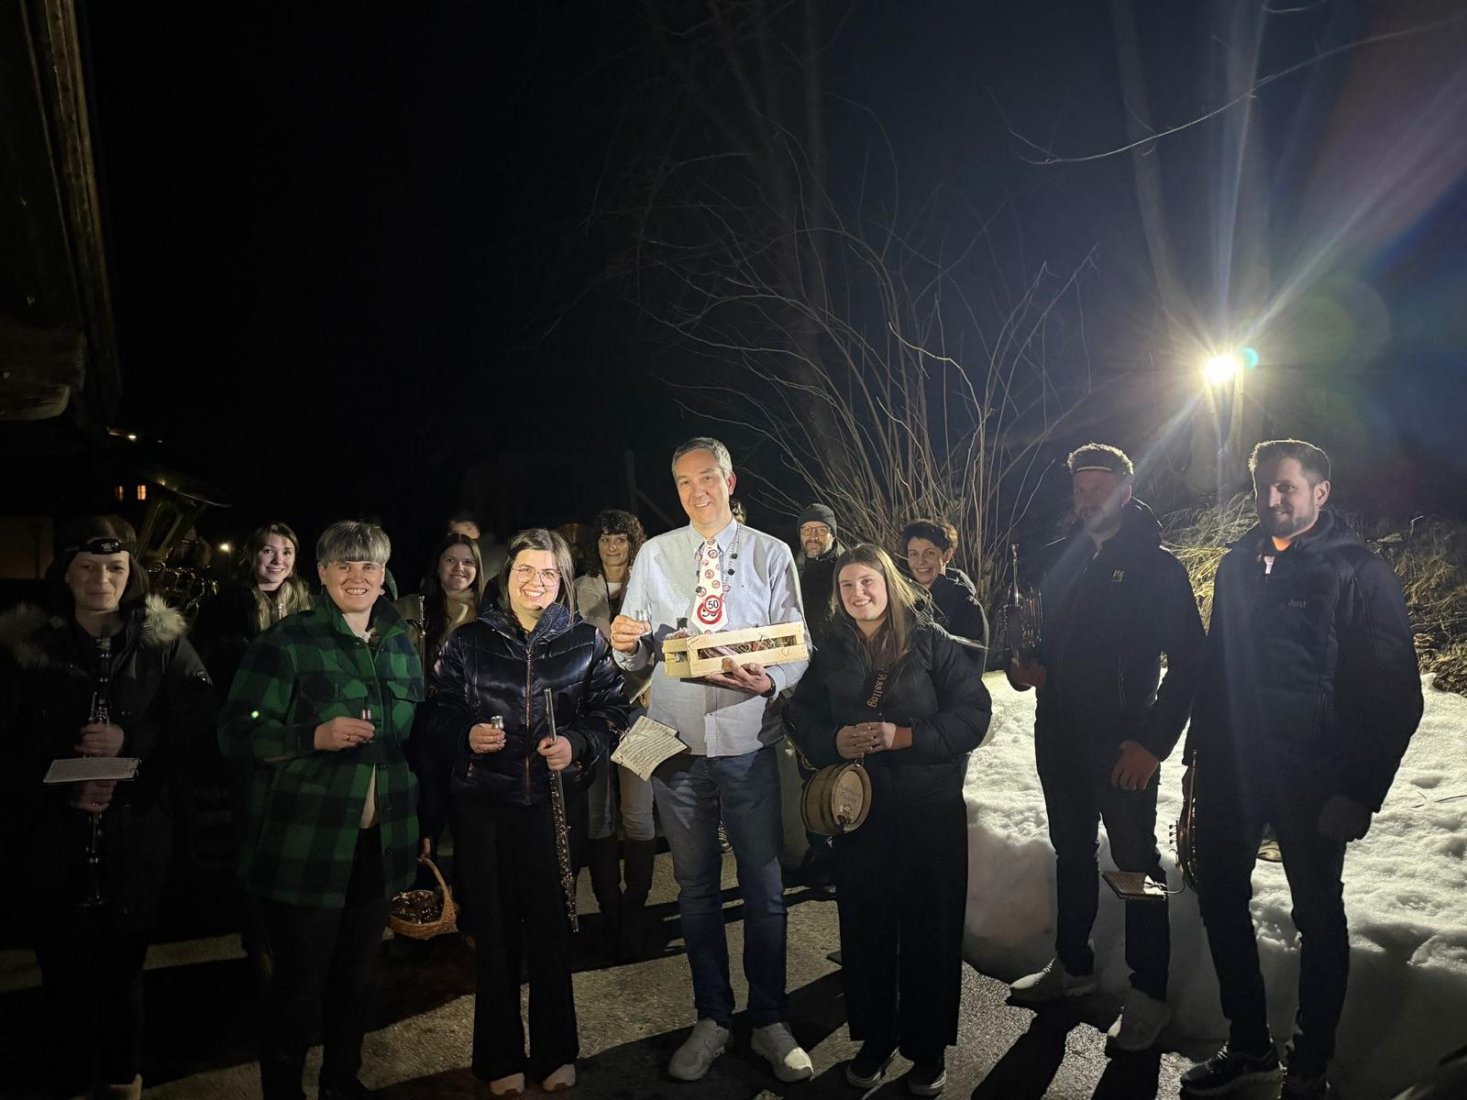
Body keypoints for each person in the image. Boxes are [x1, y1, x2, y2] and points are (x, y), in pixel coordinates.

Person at [1179, 440, 1423, 1100]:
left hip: (1313, 779)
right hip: (1232, 771)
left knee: (1317, 918)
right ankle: (1249, 1045)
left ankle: (1309, 1068)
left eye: (1286, 486)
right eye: (1263, 485)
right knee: (1221, 901)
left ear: (1320, 492)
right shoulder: (1236, 564)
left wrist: (1359, 790)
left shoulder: (1357, 571)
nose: (1271, 498)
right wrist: (1196, 762)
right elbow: (1216, 672)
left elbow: (1396, 694)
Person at [608, 436, 813, 1084]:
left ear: (729, 480)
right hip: (678, 747)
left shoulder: (771, 553)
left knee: (763, 888)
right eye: (684, 482)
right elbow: (634, 653)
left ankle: (771, 1019)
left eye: (707, 478)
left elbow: (796, 643)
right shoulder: (655, 554)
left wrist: (772, 681)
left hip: (748, 742)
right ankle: (713, 1017)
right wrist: (623, 644)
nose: (697, 491)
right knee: (695, 889)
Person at [0, 516, 215, 1100]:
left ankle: (123, 1078)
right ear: (66, 575)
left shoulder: (164, 645)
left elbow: (197, 726)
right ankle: (70, 1079)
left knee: (124, 975)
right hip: (53, 845)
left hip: (134, 839)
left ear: (131, 574)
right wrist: (60, 782)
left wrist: (131, 740)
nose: (102, 580)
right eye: (88, 568)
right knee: (61, 978)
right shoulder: (25, 648)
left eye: (115, 568)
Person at [1005, 443, 1204, 1052]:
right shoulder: (1059, 559)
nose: (1089, 499)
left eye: (1101, 488)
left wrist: (1153, 744)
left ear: (1126, 490)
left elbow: (1192, 664)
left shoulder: (1157, 568)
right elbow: (1035, 641)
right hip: (1057, 734)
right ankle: (1073, 965)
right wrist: (1022, 669)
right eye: (1081, 489)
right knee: (1071, 851)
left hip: (1122, 744)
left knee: (1136, 866)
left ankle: (1149, 994)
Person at [219, 520, 423, 1100]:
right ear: (323, 573)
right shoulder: (287, 643)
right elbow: (236, 731)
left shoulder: (400, 642)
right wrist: (312, 735)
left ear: (383, 574)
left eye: (369, 565)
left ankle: (341, 1081)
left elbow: (412, 741)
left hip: (377, 843)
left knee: (357, 980)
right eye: (344, 565)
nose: (358, 576)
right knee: (298, 986)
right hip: (308, 844)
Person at [424, 528, 625, 1097]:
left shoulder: (585, 642)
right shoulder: (468, 642)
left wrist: (578, 743)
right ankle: (499, 1056)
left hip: (555, 808)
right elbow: (436, 712)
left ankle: (557, 1050)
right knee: (494, 935)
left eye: (547, 573)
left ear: (562, 580)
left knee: (551, 931)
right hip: (484, 807)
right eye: (524, 571)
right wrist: (465, 734)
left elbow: (613, 711)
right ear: (505, 576)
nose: (536, 582)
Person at [789, 544, 991, 1095]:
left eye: (867, 582)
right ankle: (874, 1039)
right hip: (861, 814)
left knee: (931, 929)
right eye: (847, 586)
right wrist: (832, 741)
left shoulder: (931, 641)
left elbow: (974, 715)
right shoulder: (831, 649)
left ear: (888, 585)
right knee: (867, 929)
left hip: (930, 810)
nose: (858, 594)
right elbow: (800, 714)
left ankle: (928, 1048)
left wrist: (905, 737)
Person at [572, 508, 658, 961]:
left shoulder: (649, 584)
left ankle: (635, 905)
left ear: (632, 543)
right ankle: (609, 909)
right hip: (593, 713)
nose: (612, 546)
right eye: (605, 538)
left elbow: (662, 645)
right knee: (598, 812)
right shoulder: (579, 588)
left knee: (638, 813)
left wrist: (647, 684)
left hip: (642, 710)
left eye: (621, 538)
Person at [395, 532, 486, 885]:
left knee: (468, 818)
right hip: (425, 723)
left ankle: (468, 900)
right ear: (437, 565)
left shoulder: (489, 612)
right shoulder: (411, 609)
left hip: (470, 723)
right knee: (428, 809)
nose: (459, 568)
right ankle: (423, 895)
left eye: (468, 562)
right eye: (451, 560)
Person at [191, 522, 314, 691]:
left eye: (286, 552)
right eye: (268, 551)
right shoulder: (225, 604)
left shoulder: (308, 605)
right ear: (251, 555)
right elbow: (205, 659)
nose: (278, 560)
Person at [902, 518, 989, 659]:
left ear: (947, 555)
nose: (920, 561)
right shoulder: (906, 602)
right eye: (913, 554)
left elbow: (969, 664)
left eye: (929, 553)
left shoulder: (965, 606)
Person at [795, 502, 845, 649]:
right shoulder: (789, 568)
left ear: (833, 535)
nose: (813, 536)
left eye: (822, 530)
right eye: (807, 530)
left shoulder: (847, 569)